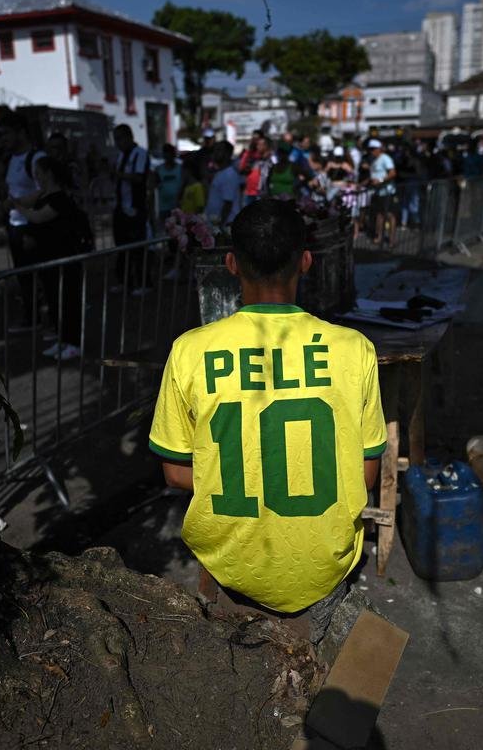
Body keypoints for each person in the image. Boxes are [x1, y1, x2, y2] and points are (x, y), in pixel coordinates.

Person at [148, 198, 387, 644]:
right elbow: (367, 472)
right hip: (324, 564)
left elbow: (177, 472)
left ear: (232, 264)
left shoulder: (189, 351)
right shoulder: (355, 349)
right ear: (308, 261)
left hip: (231, 562)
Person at [11, 156, 95, 361]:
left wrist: (18, 208)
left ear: (48, 173)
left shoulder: (60, 199)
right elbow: (29, 200)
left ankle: (74, 343)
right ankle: (63, 339)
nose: (36, 176)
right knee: (54, 301)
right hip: (48, 260)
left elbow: (38, 217)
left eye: (38, 172)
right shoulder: (44, 195)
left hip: (65, 260)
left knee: (68, 301)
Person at [0, 111, 47, 327]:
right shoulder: (9, 159)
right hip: (15, 225)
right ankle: (31, 317)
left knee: (42, 274)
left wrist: (16, 203)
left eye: (6, 133)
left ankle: (50, 319)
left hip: (33, 225)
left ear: (22, 133)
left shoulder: (36, 158)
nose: (3, 139)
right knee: (24, 275)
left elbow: (45, 191)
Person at [112, 124, 151, 294]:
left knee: (138, 249)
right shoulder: (121, 155)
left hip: (135, 208)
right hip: (121, 208)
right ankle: (125, 282)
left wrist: (118, 175)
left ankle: (144, 283)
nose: (117, 143)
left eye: (119, 138)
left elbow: (138, 177)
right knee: (122, 247)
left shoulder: (139, 154)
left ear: (129, 137)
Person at [367, 139, 398, 246]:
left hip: (387, 192)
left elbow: (393, 173)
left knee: (389, 215)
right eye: (370, 149)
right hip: (378, 192)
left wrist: (380, 180)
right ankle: (379, 237)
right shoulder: (373, 160)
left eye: (373, 149)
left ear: (379, 149)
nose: (371, 151)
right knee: (379, 215)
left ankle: (392, 240)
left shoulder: (385, 158)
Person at [205, 141, 243, 228]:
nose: (215, 153)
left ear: (227, 154)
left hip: (226, 224)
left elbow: (228, 204)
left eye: (219, 150)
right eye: (215, 150)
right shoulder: (220, 172)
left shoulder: (229, 174)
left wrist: (220, 226)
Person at [151, 143, 183, 220]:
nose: (168, 156)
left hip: (178, 206)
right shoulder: (158, 169)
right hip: (163, 207)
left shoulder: (181, 169)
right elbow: (153, 185)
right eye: (166, 153)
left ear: (173, 154)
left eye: (170, 153)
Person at [238, 134, 270, 206]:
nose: (258, 146)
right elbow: (241, 169)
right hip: (249, 192)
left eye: (260, 144)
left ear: (266, 146)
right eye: (257, 144)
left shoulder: (271, 158)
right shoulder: (250, 156)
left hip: (262, 194)